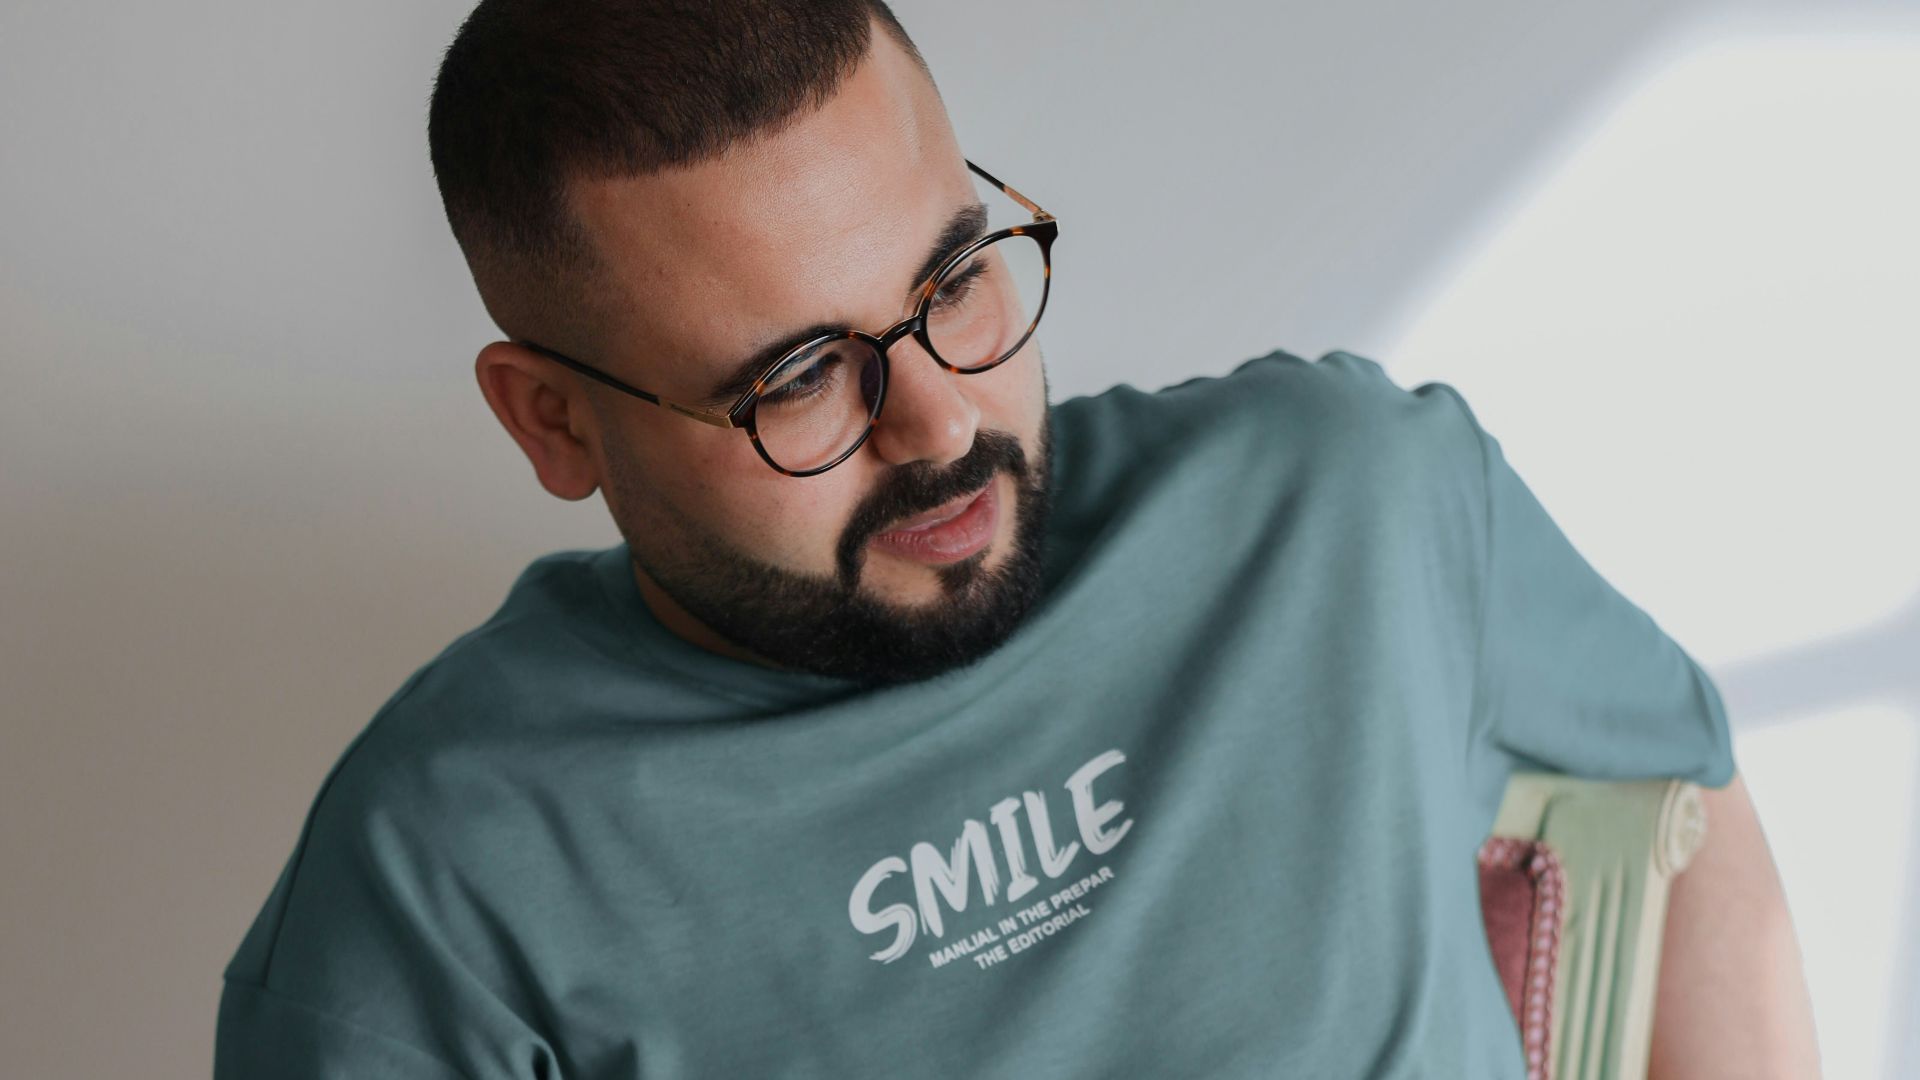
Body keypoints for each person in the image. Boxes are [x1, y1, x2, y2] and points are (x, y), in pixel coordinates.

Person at [214, 2, 1819, 1077]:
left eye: (954, 281)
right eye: (795, 377)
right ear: (553, 422)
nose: (939, 424)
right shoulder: (440, 878)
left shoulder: (1340, 500)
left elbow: (1685, 805)